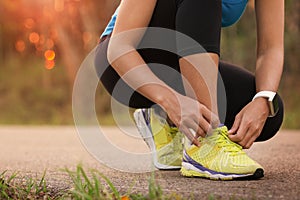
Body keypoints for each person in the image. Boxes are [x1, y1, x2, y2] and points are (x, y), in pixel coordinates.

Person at [94, 0, 284, 180]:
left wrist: (263, 99)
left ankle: (163, 122)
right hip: (125, 63)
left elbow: (270, 49)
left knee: (269, 115)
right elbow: (119, 48)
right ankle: (206, 144)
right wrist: (171, 100)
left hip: (180, 62)